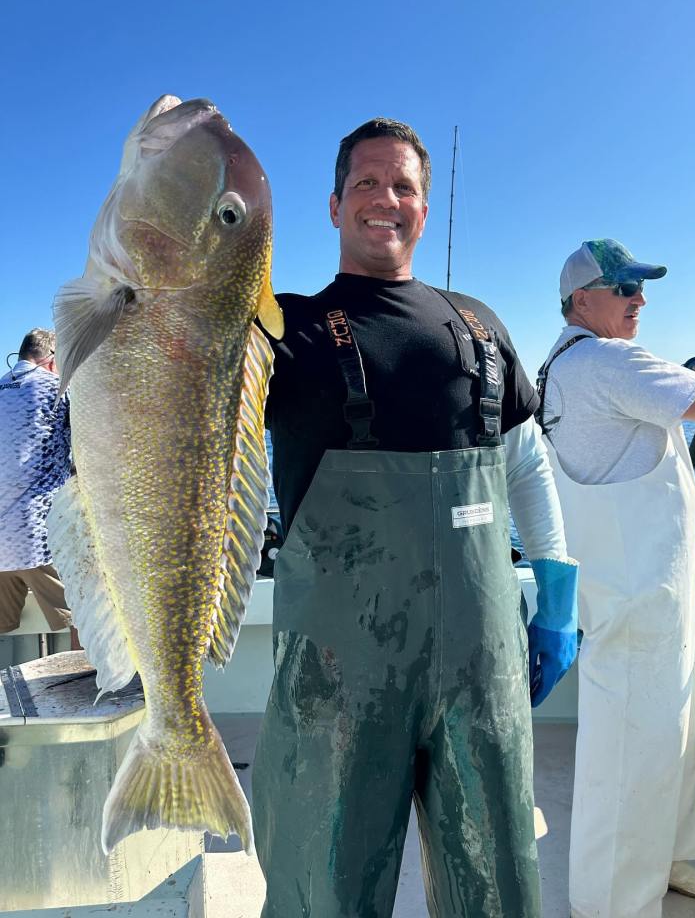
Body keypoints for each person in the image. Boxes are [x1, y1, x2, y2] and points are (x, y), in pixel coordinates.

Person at [251, 118, 579, 917]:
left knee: (497, 881)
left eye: (403, 186)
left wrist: (558, 601)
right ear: (332, 206)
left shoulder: (479, 325)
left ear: (424, 210)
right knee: (323, 883)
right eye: (365, 183)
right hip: (337, 675)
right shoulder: (276, 330)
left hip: (484, 659)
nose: (384, 200)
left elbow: (526, 467)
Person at [538, 239, 695, 918]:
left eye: (642, 288)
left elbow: (650, 401)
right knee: (629, 760)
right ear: (583, 299)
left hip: (637, 593)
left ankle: (676, 856)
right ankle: (610, 902)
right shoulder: (607, 360)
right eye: (624, 288)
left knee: (666, 735)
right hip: (636, 600)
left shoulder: (565, 365)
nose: (640, 300)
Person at [0, 329, 72, 637]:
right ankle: (86, 682)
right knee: (83, 617)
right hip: (39, 537)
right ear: (52, 359)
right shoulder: (57, 389)